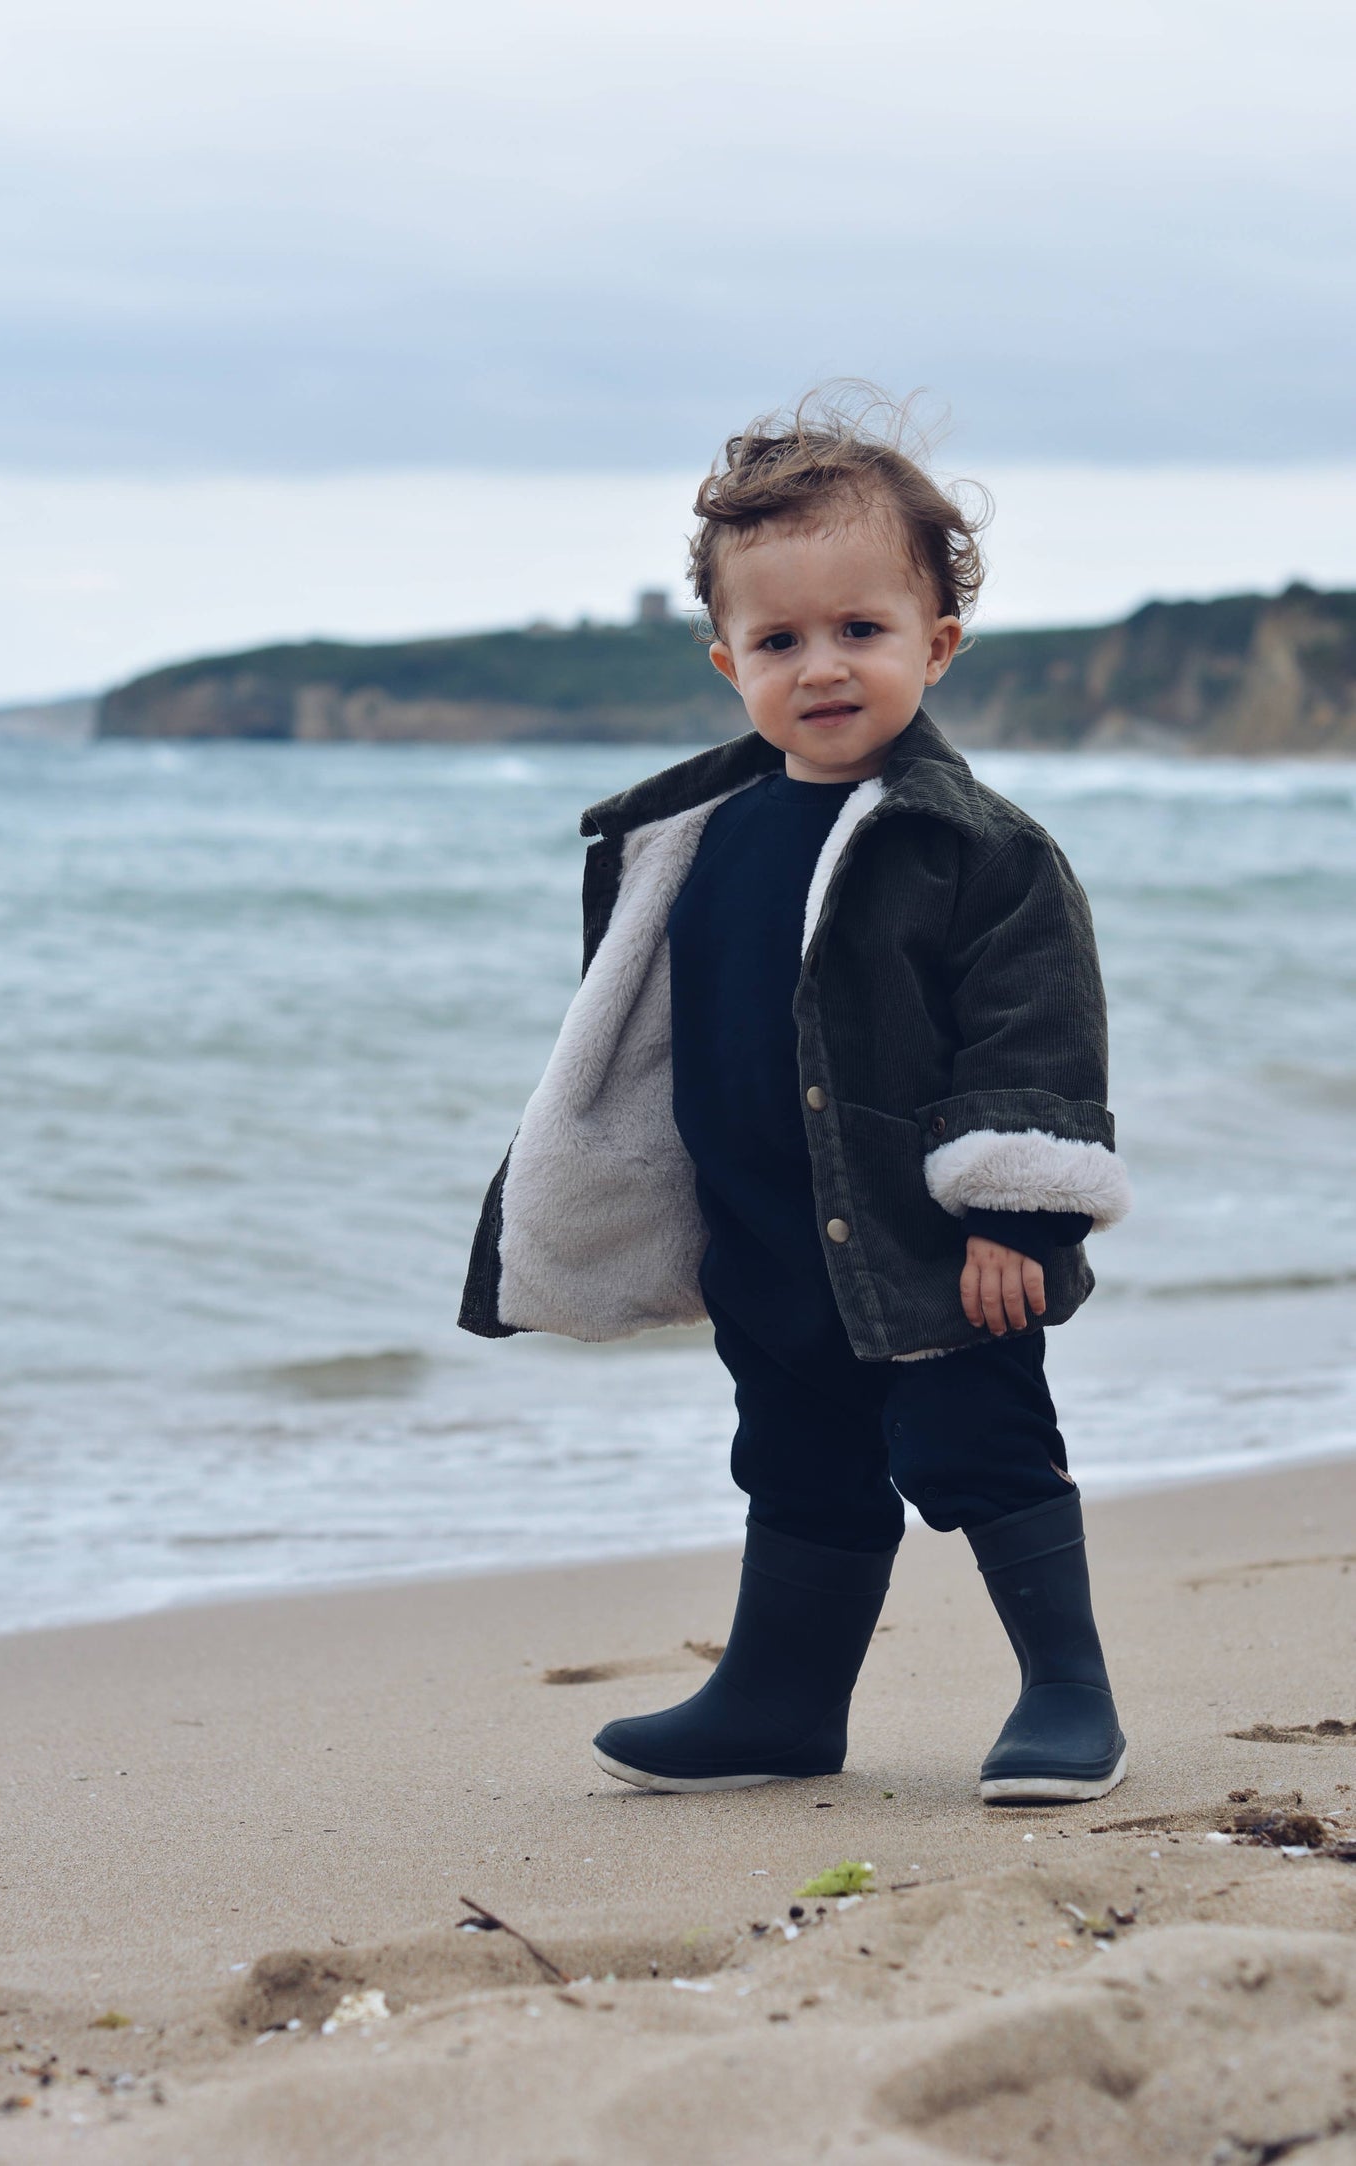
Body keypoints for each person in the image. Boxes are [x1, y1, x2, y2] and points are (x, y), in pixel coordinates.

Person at [459, 389, 1132, 1803]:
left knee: (981, 1445)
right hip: (769, 1241)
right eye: (779, 640)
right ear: (726, 662)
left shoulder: (974, 850)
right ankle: (778, 1700)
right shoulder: (698, 838)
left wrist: (1015, 1213)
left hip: (932, 1248)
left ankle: (1068, 1688)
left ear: (934, 644)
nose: (821, 667)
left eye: (861, 631)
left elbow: (1035, 1035)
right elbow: (648, 1038)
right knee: (794, 1459)